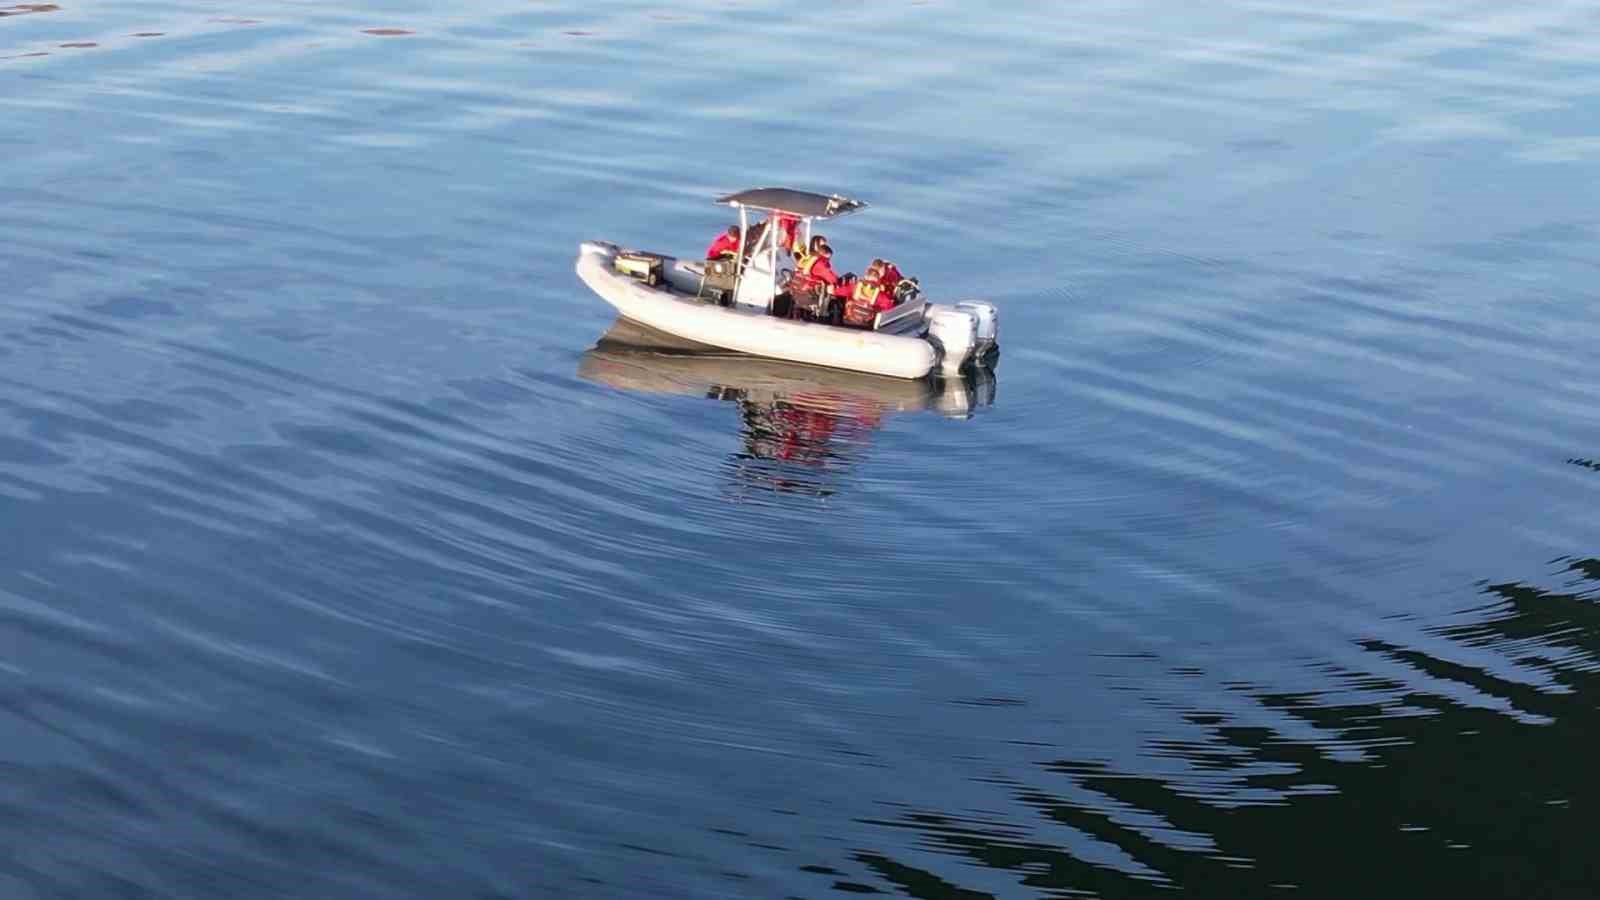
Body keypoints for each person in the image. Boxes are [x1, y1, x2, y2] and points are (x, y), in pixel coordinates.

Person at [842, 261, 896, 328]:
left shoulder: (854, 287)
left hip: (849, 321)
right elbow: (890, 307)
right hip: (865, 324)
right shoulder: (879, 294)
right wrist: (877, 309)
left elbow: (838, 292)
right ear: (877, 279)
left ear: (866, 276)